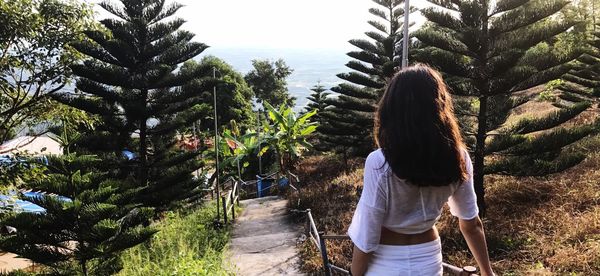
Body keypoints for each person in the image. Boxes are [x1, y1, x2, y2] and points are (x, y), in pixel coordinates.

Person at [348, 64, 495, 276]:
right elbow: (471, 225)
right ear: (439, 105)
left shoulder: (380, 162)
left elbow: (367, 232)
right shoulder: (458, 157)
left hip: (385, 263)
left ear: (392, 108)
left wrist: (355, 274)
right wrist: (487, 272)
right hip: (428, 261)